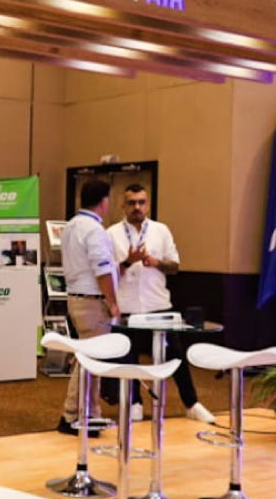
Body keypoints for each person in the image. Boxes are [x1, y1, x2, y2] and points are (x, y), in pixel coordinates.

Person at [107, 182, 214, 424]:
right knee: (128, 357)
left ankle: (191, 403)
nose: (137, 207)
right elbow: (107, 273)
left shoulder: (160, 231)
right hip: (127, 306)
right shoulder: (111, 234)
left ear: (147, 205)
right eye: (131, 203)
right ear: (123, 206)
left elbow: (174, 266)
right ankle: (134, 402)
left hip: (158, 304)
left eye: (141, 202)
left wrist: (156, 262)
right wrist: (128, 261)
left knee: (176, 355)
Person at [58, 178, 120, 435]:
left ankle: (90, 413)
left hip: (76, 298)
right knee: (90, 360)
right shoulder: (94, 230)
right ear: (104, 201)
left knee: (89, 358)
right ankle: (74, 415)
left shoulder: (71, 226)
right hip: (92, 302)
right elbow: (102, 269)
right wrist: (113, 303)